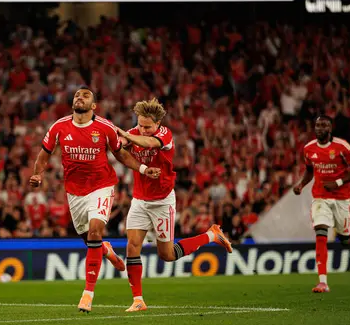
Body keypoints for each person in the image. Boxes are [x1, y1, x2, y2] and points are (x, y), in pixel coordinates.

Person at [29, 86, 161, 313]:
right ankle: (107, 251)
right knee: (90, 240)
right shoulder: (59, 126)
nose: (79, 97)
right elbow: (44, 154)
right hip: (74, 192)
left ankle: (87, 295)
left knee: (94, 232)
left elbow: (120, 154)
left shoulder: (105, 127)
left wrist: (142, 168)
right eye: (77, 95)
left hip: (102, 186)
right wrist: (38, 173)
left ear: (93, 106)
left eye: (85, 95)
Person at [116, 99, 232, 312]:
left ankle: (212, 235)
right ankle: (138, 300)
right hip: (140, 200)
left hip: (162, 201)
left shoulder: (164, 136)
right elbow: (121, 146)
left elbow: (147, 143)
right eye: (140, 125)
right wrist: (119, 141)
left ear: (158, 123)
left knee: (167, 255)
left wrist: (127, 136)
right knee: (132, 246)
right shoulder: (135, 132)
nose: (143, 129)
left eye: (147, 126)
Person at [293, 115, 350, 293]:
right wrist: (301, 184)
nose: (319, 128)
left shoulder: (341, 146)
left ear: (330, 128)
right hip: (320, 197)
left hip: (341, 197)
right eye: (317, 125)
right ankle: (322, 282)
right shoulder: (308, 149)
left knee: (345, 240)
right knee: (321, 233)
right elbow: (310, 171)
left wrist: (338, 183)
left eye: (323, 125)